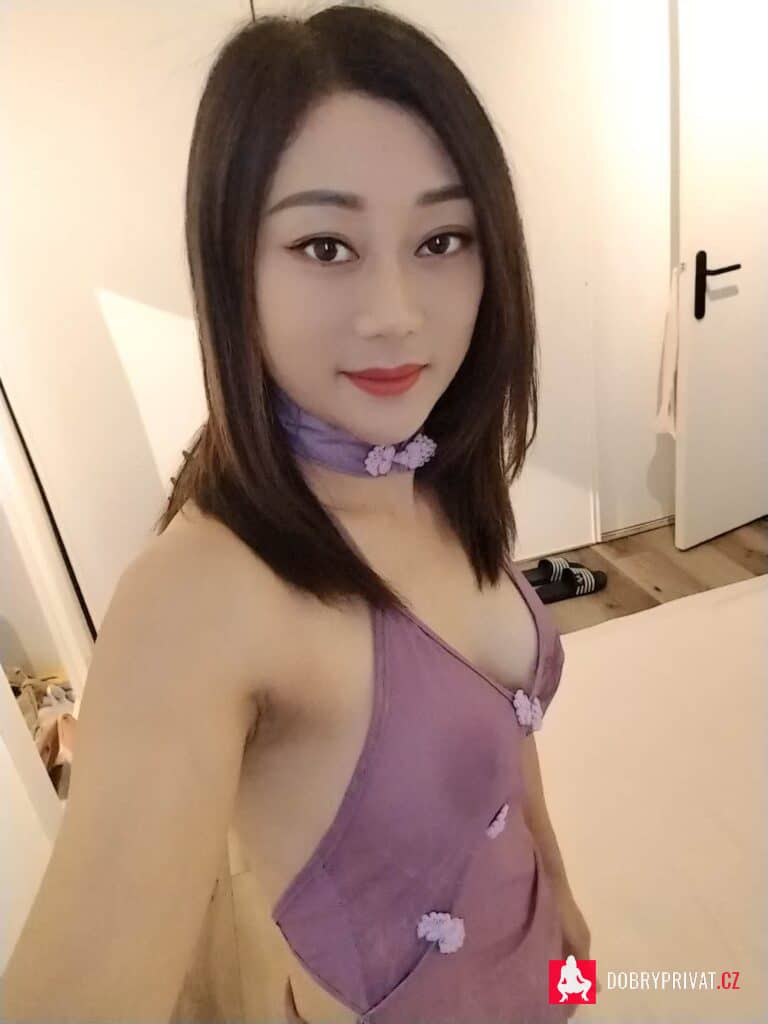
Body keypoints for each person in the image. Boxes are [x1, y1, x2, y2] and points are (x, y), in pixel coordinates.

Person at [1, 5, 595, 1022]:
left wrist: (567, 904)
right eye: (326, 245)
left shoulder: (432, 469)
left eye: (442, 238)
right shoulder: (199, 597)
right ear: (234, 268)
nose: (396, 314)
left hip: (545, 972)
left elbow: (508, 736)